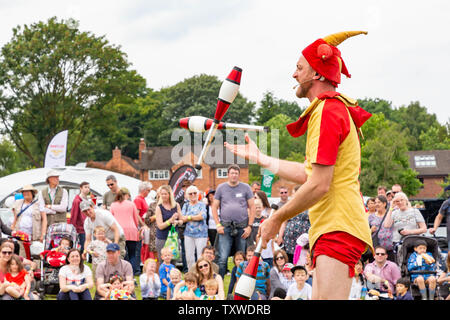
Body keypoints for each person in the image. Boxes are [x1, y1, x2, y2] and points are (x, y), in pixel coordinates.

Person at [226, 31, 375, 300]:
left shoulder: (328, 111)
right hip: (332, 226)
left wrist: (277, 217)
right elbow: (311, 174)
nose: (294, 74)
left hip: (338, 226)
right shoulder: (328, 110)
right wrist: (263, 159)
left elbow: (319, 184)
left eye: (299, 68)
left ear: (317, 74)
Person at [212, 164, 255, 278]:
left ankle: (242, 280)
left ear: (239, 175)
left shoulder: (246, 188)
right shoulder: (221, 188)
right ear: (228, 174)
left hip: (242, 227)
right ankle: (219, 282)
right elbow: (214, 207)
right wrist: (218, 224)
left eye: (236, 173)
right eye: (232, 173)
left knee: (242, 257)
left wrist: (250, 226)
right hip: (225, 227)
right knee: (223, 257)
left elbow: (252, 207)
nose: (234, 175)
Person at [110, 187, 145, 275]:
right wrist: (137, 228)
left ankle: (123, 273)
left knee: (122, 254)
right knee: (132, 254)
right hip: (131, 230)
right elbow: (135, 219)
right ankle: (131, 274)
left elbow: (111, 219)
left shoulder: (113, 205)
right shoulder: (131, 204)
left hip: (119, 231)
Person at [277, 185, 310, 263]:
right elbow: (284, 222)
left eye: (294, 193)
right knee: (290, 261)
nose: (293, 196)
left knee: (303, 260)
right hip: (289, 241)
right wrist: (280, 237)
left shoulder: (309, 205)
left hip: (304, 241)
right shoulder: (290, 206)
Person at [11, 184, 46, 257]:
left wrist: (43, 234)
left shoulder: (39, 203)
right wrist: (12, 231)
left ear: (32, 193)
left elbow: (44, 219)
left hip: (34, 236)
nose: (25, 193)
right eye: (24, 192)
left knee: (35, 255)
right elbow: (15, 218)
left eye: (28, 191)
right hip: (21, 235)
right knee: (22, 256)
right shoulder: (18, 203)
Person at [180, 185, 208, 269]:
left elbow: (202, 216)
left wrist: (189, 217)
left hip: (201, 234)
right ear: (187, 195)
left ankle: (202, 274)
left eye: (194, 193)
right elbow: (182, 218)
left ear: (198, 193)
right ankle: (192, 274)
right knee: (189, 257)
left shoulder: (202, 204)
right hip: (188, 234)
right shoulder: (186, 205)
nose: (193, 195)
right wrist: (195, 216)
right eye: (190, 193)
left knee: (201, 256)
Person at [155, 185, 182, 262]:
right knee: (163, 261)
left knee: (173, 260)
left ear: (170, 194)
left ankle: (173, 274)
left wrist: (177, 222)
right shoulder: (159, 207)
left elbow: (182, 220)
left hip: (173, 237)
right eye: (162, 194)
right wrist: (171, 220)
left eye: (165, 194)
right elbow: (160, 226)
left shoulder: (176, 205)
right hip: (162, 238)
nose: (163, 196)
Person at [368, 195, 394, 261]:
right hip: (376, 248)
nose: (376, 204)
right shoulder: (371, 217)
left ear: (384, 204)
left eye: (379, 202)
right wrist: (371, 230)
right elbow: (365, 232)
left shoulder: (391, 214)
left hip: (389, 248)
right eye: (375, 203)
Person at [134, 181, 152, 274]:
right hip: (139, 227)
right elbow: (136, 215)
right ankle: (137, 269)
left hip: (143, 226)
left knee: (142, 247)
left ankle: (139, 267)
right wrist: (143, 225)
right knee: (139, 248)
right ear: (144, 190)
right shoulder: (138, 199)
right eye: (148, 190)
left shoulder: (143, 199)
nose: (149, 192)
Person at [70, 181, 94, 254]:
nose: (87, 189)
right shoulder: (77, 200)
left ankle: (86, 257)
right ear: (81, 188)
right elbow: (74, 215)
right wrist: (73, 228)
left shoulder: (87, 199)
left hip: (87, 226)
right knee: (83, 245)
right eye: (85, 187)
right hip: (80, 228)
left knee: (88, 244)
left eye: (88, 187)